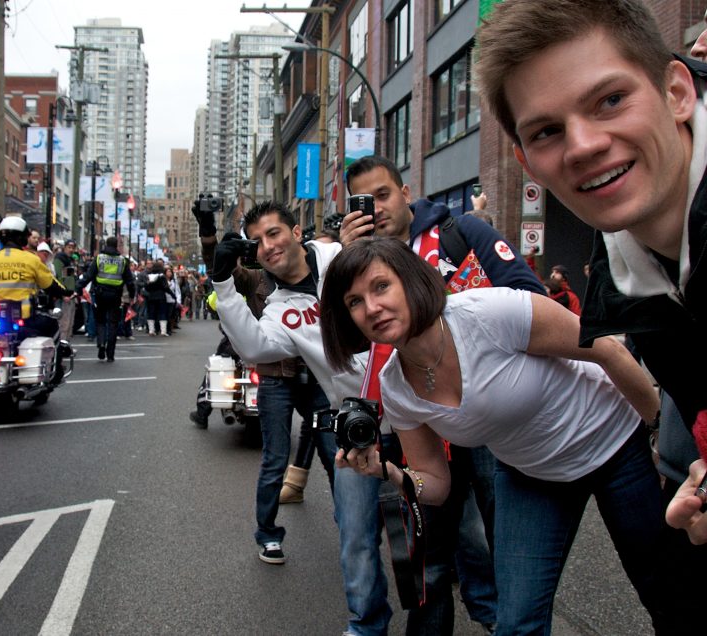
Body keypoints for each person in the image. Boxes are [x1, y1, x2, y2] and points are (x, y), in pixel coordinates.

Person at [474, 0, 707, 603]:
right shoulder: (620, 266)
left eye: (610, 100)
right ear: (527, 163)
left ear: (677, 91)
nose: (583, 145)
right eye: (547, 130)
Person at [321, 237, 667, 634]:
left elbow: (607, 350)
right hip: (531, 474)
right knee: (517, 624)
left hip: (616, 446)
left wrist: (660, 440)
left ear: (410, 281)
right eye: (354, 302)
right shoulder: (396, 388)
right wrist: (386, 471)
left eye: (381, 286)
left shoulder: (489, 311)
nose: (372, 308)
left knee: (665, 592)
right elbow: (435, 484)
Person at [341, 154, 546, 633]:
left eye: (385, 195)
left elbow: (528, 298)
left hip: (489, 419)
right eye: (364, 202)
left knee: (508, 544)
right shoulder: (353, 263)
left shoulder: (463, 234)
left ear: (407, 192)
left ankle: (508, 620)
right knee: (428, 561)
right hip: (411, 422)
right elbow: (344, 345)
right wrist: (344, 261)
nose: (377, 209)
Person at [211, 201, 389, 634]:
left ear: (294, 232)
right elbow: (253, 348)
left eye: (273, 233)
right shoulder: (277, 309)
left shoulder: (338, 254)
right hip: (358, 421)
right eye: (256, 241)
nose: (268, 246)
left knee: (451, 530)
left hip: (419, 409)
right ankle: (366, 625)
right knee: (356, 535)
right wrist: (221, 281)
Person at [0, 216, 66, 338]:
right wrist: (65, 291)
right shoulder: (32, 260)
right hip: (26, 318)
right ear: (21, 237)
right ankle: (55, 357)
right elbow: (51, 285)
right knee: (52, 324)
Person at [82, 236, 134, 362]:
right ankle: (110, 353)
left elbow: (89, 275)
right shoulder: (122, 261)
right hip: (115, 295)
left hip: (100, 294)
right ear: (116, 245)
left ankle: (101, 344)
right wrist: (132, 295)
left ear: (106, 244)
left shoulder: (99, 258)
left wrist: (79, 287)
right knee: (113, 323)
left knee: (100, 321)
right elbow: (130, 281)